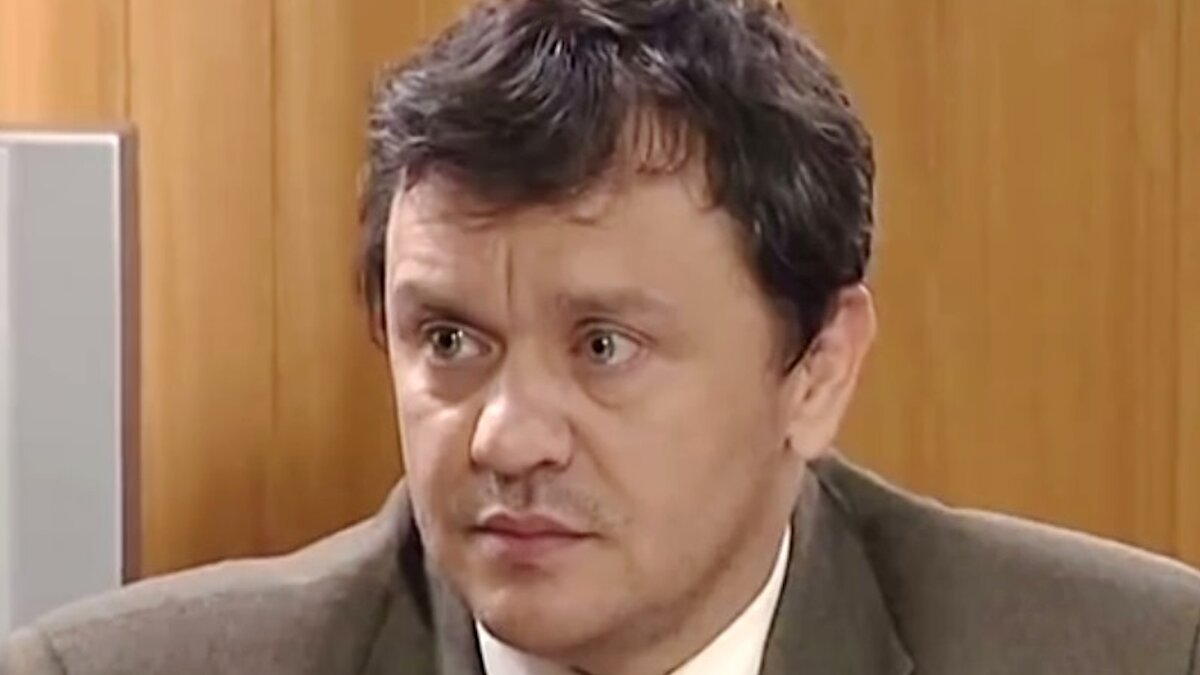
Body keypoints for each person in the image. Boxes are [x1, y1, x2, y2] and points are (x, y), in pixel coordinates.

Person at [4, 0, 1200, 673]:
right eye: (450, 342)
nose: (507, 438)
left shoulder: (1132, 656)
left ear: (818, 373)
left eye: (603, 347)